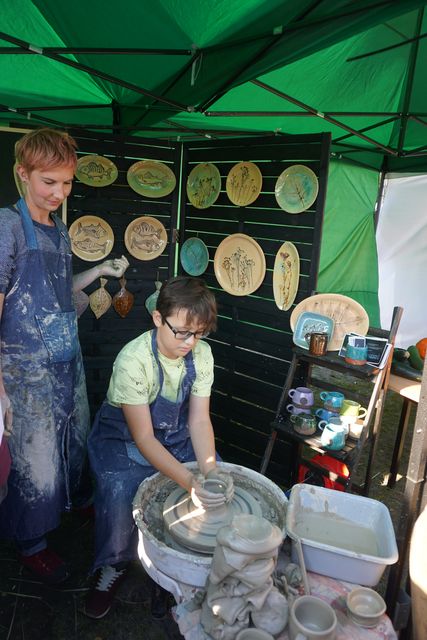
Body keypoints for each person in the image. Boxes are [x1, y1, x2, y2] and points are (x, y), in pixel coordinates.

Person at [0, 128, 129, 584]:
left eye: (67, 183)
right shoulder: (8, 227)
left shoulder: (57, 231)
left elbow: (58, 296)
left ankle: (74, 505)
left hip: (64, 361)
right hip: (23, 371)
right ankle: (30, 541)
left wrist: (98, 271)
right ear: (23, 174)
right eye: (48, 182)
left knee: (71, 444)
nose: (59, 193)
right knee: (33, 460)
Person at [84, 275, 233, 619]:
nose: (189, 342)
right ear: (157, 318)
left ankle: (189, 568)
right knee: (119, 489)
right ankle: (115, 563)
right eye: (181, 331)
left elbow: (198, 421)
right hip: (123, 438)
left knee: (217, 477)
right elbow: (144, 438)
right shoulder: (132, 360)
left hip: (178, 434)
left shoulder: (202, 355)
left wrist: (208, 473)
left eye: (198, 333)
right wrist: (189, 482)